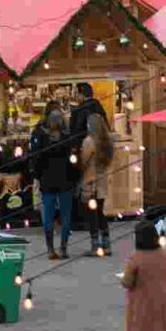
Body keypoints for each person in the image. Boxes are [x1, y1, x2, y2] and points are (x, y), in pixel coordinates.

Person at [29, 107, 80, 258]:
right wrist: (75, 178)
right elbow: (74, 162)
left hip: (47, 183)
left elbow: (36, 160)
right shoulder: (68, 138)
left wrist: (38, 176)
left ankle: (50, 249)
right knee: (66, 216)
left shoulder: (43, 139)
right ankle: (63, 247)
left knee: (48, 217)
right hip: (66, 183)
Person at [72, 89, 115, 255]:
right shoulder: (107, 142)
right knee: (100, 212)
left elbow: (82, 161)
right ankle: (107, 243)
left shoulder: (89, 141)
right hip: (102, 181)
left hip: (90, 182)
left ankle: (95, 245)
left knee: (91, 215)